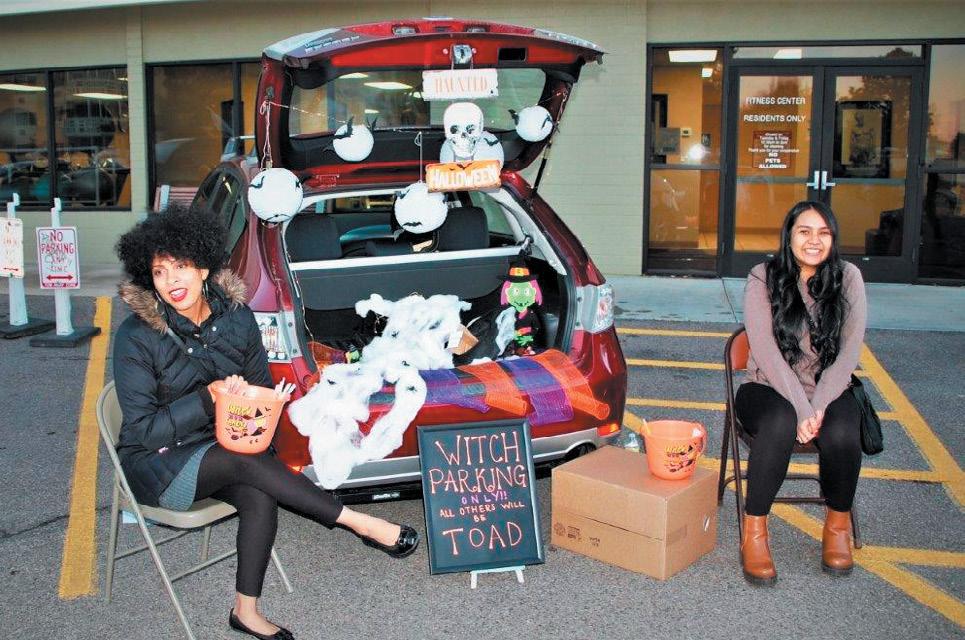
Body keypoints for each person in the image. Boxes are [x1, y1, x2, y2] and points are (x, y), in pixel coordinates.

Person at [113, 203, 419, 640]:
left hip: (223, 445)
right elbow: (143, 431)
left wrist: (259, 404)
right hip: (158, 462)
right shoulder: (137, 336)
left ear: (203, 268)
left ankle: (245, 611)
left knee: (259, 492)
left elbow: (260, 387)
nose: (172, 281)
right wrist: (208, 398)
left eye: (181, 267)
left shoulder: (237, 318)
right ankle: (359, 523)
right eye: (160, 272)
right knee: (245, 463)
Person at [738, 200, 867, 585]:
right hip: (766, 387)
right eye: (805, 231)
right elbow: (764, 350)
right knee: (780, 421)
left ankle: (837, 527)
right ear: (789, 235)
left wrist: (819, 404)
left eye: (823, 233)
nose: (814, 240)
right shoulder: (763, 276)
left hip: (828, 388)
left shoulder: (848, 278)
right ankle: (754, 533)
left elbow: (850, 352)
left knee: (843, 431)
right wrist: (801, 407)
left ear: (833, 238)